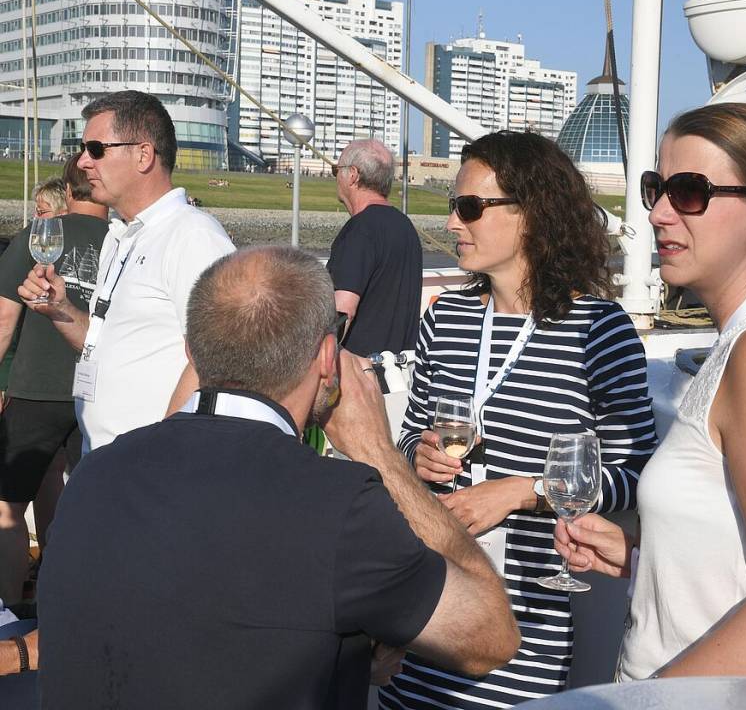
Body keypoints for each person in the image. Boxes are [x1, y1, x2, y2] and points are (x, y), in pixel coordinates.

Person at [36, 246, 520, 709]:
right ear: (328, 358)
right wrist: (379, 452)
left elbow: (186, 624)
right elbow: (490, 637)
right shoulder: (339, 506)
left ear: (192, 351)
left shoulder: (95, 475)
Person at [380, 131, 658, 709]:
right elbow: (407, 432)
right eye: (454, 207)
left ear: (532, 214)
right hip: (428, 595)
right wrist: (418, 452)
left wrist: (522, 492)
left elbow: (636, 473)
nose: (454, 223)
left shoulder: (599, 332)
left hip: (527, 613)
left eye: (469, 208)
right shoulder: (447, 317)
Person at [554, 103, 746, 680]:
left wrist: (644, 703)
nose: (660, 212)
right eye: (656, 188)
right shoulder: (743, 342)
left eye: (689, 191)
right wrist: (642, 557)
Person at [18, 91, 234, 451]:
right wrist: (61, 310)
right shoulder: (118, 236)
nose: (83, 162)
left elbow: (218, 357)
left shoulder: (193, 236)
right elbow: (101, 344)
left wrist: (162, 448)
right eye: (83, 148)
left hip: (150, 466)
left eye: (96, 149)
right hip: (105, 457)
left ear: (144, 155)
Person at [0, 155, 108, 605]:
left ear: (66, 192)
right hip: (99, 393)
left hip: (36, 389)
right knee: (84, 506)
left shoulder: (37, 236)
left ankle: (8, 619)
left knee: (7, 506)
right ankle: (68, 605)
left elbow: (4, 319)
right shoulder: (126, 243)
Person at [327, 139, 422, 358]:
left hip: (362, 372)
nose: (336, 178)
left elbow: (342, 311)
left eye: (336, 170)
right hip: (398, 371)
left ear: (352, 175)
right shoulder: (405, 226)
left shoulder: (361, 230)